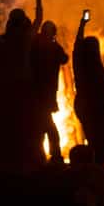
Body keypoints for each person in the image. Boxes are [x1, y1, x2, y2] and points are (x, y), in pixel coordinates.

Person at [0, 0, 44, 174]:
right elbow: (38, 20)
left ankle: (8, 158)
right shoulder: (26, 39)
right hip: (23, 86)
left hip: (6, 87)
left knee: (8, 123)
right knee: (26, 123)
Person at [73, 11, 104, 166]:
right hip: (95, 108)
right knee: (100, 142)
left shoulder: (81, 66)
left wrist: (82, 24)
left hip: (87, 107)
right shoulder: (91, 69)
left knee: (94, 141)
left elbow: (77, 44)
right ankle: (97, 168)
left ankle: (95, 168)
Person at [31, 20, 69, 163]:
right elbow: (64, 59)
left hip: (37, 93)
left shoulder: (35, 45)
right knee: (47, 125)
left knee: (41, 125)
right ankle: (54, 155)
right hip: (44, 93)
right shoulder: (52, 47)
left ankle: (44, 155)